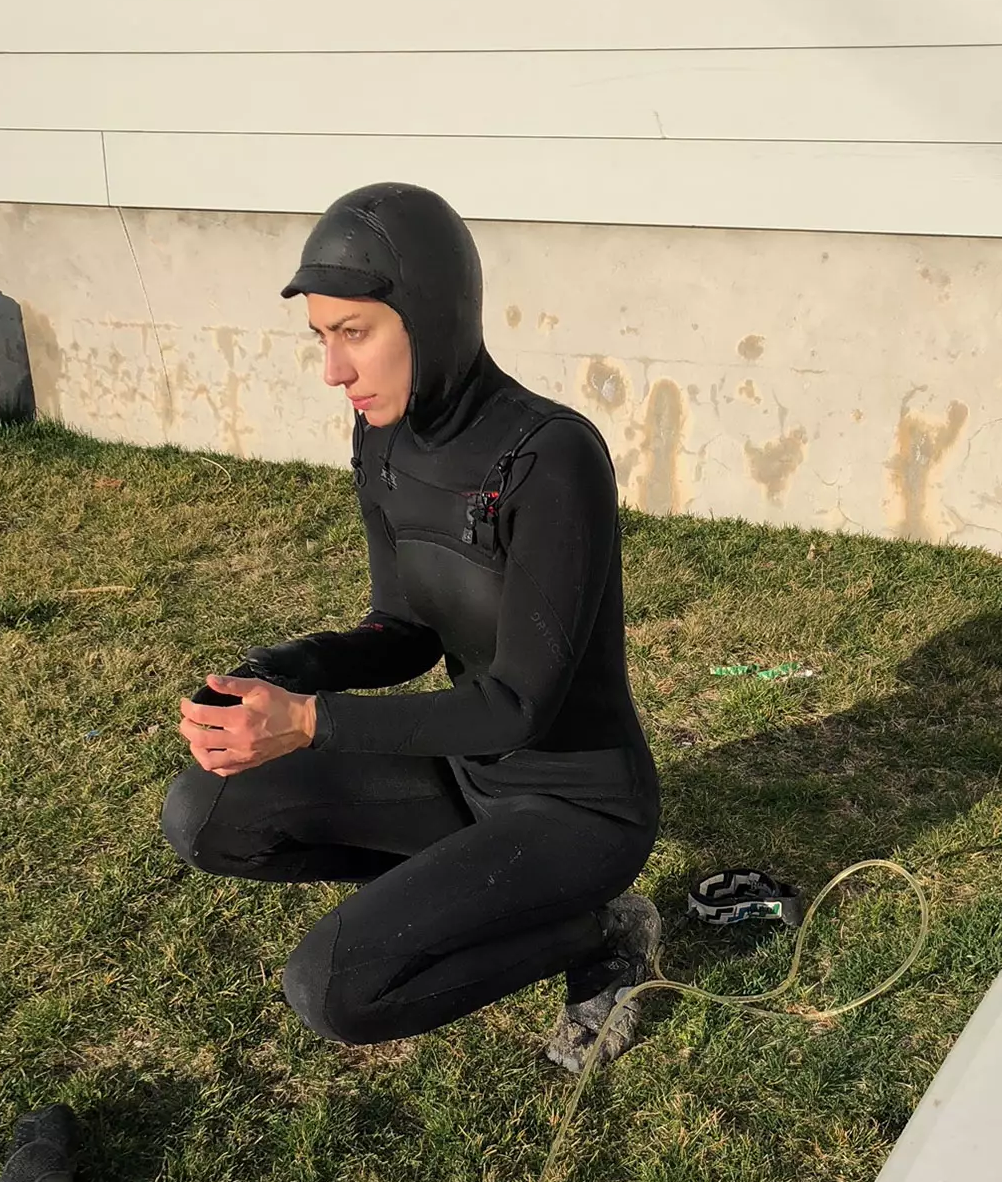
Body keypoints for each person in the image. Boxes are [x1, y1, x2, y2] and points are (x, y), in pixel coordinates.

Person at [160, 183, 661, 1071]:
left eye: (355, 333)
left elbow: (516, 707)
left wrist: (312, 724)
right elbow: (404, 629)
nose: (334, 372)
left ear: (430, 314)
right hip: (465, 776)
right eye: (322, 338)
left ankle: (596, 933)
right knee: (206, 816)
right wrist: (282, 672)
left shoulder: (552, 459)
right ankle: (468, 897)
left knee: (335, 987)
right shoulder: (382, 440)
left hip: (577, 808)